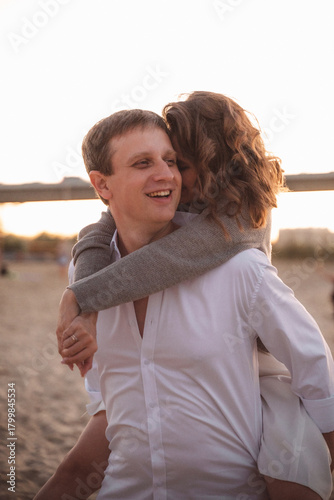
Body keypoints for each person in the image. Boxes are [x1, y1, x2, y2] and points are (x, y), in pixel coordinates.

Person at [35, 103, 334, 499]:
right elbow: (111, 407)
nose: (168, 175)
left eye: (174, 161)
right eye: (144, 162)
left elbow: (316, 369)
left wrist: (82, 295)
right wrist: (84, 290)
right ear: (101, 185)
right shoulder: (90, 267)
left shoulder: (236, 254)